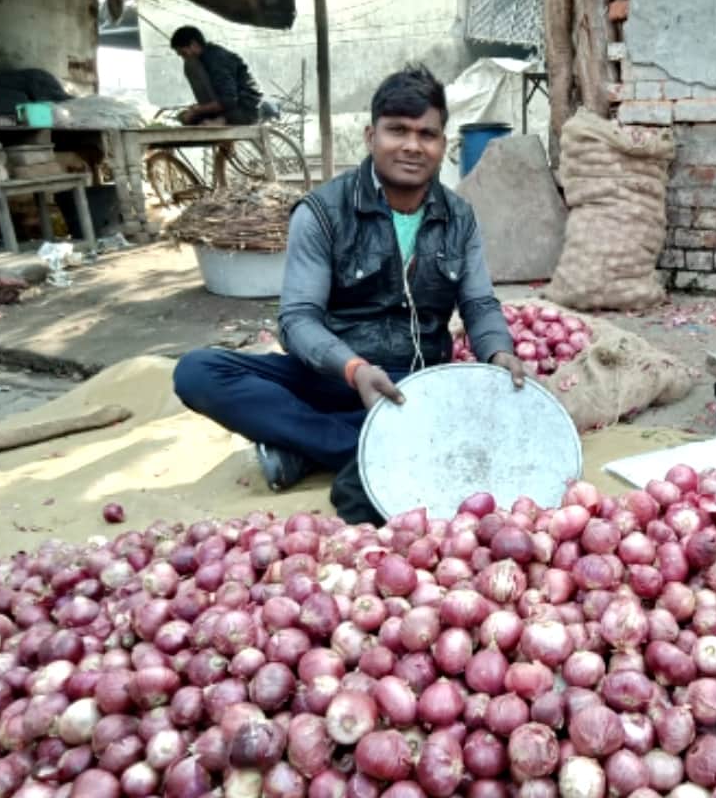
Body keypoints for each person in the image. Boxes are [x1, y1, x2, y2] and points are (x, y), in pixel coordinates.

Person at [173, 64, 525, 524]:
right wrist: (354, 369)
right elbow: (297, 319)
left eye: (428, 134)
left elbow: (478, 304)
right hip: (334, 375)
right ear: (370, 135)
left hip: (417, 387)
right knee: (199, 372)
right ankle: (368, 445)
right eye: (397, 130)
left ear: (443, 144)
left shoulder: (459, 216)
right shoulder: (322, 212)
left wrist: (499, 353)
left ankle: (309, 449)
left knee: (502, 410)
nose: (412, 146)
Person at [169, 25, 262, 126]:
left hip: (245, 109)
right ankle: (219, 119)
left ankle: (222, 120)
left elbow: (229, 100)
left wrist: (197, 110)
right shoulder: (202, 60)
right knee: (185, 118)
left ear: (194, 44)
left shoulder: (216, 60)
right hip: (227, 109)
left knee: (201, 122)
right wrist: (196, 110)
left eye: (183, 53)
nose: (183, 58)